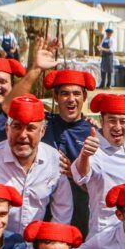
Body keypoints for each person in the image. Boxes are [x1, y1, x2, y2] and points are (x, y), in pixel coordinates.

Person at [0, 94, 73, 236]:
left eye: (30, 128)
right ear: (7, 128)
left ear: (42, 131)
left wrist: (50, 243)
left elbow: (63, 211)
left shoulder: (54, 160)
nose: (23, 135)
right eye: (17, 126)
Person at [34, 68, 97, 235]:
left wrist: (73, 173)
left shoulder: (93, 133)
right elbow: (10, 105)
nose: (71, 99)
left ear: (84, 96)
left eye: (76, 93)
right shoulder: (42, 124)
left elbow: (100, 188)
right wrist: (36, 68)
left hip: (78, 218)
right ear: (55, 97)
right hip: (40, 216)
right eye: (64, 94)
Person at [72, 93, 125, 235]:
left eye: (123, 121)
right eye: (112, 121)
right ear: (102, 120)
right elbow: (81, 175)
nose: (117, 127)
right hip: (104, 233)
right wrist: (85, 155)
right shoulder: (94, 149)